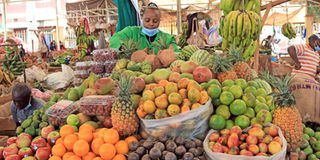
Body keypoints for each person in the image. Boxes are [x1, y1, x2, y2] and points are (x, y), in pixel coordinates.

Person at [109, 3, 180, 54]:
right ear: (142, 19)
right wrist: (122, 47)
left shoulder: (168, 38)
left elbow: (177, 53)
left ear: (159, 20)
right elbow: (114, 39)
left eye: (155, 21)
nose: (151, 23)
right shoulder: (131, 31)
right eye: (147, 20)